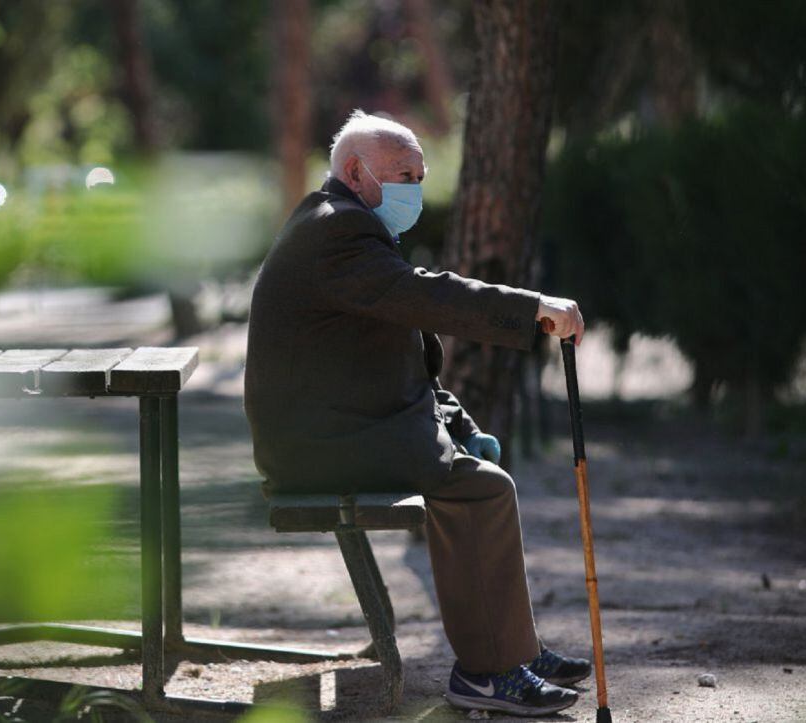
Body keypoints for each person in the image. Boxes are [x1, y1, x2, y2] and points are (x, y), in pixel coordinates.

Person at [244, 110, 589, 717]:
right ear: (355, 172)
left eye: (420, 175)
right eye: (404, 174)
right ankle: (488, 673)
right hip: (318, 445)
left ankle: (512, 652)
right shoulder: (338, 233)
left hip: (333, 429)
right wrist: (532, 306)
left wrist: (458, 423)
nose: (415, 190)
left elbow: (396, 358)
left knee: (475, 480)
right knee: (482, 491)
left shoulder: (336, 221)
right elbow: (427, 295)